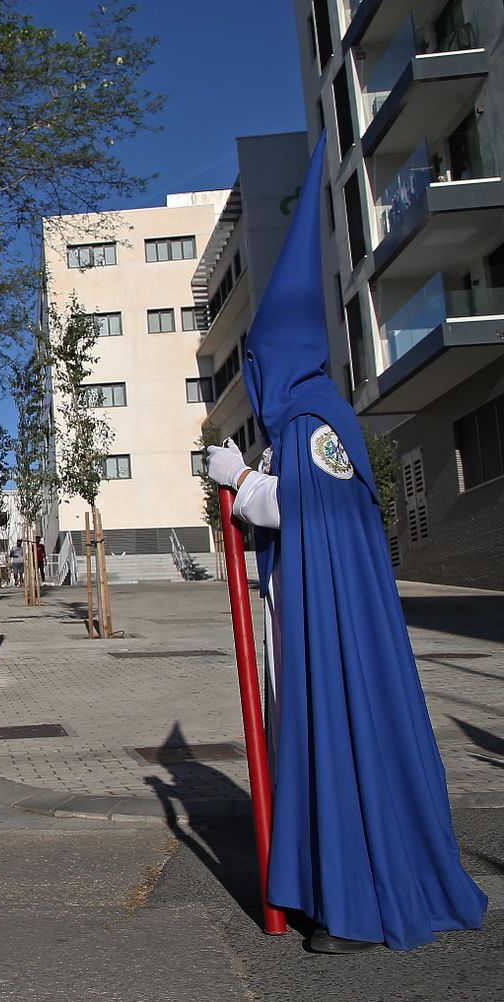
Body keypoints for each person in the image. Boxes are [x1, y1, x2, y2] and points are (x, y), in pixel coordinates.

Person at [203, 139, 484, 954]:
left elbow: (304, 509)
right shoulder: (305, 422)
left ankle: (359, 902)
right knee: (316, 742)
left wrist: (243, 482)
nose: (254, 375)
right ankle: (333, 880)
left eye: (256, 360)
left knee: (339, 739)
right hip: (308, 614)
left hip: (330, 624)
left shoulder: (318, 422)